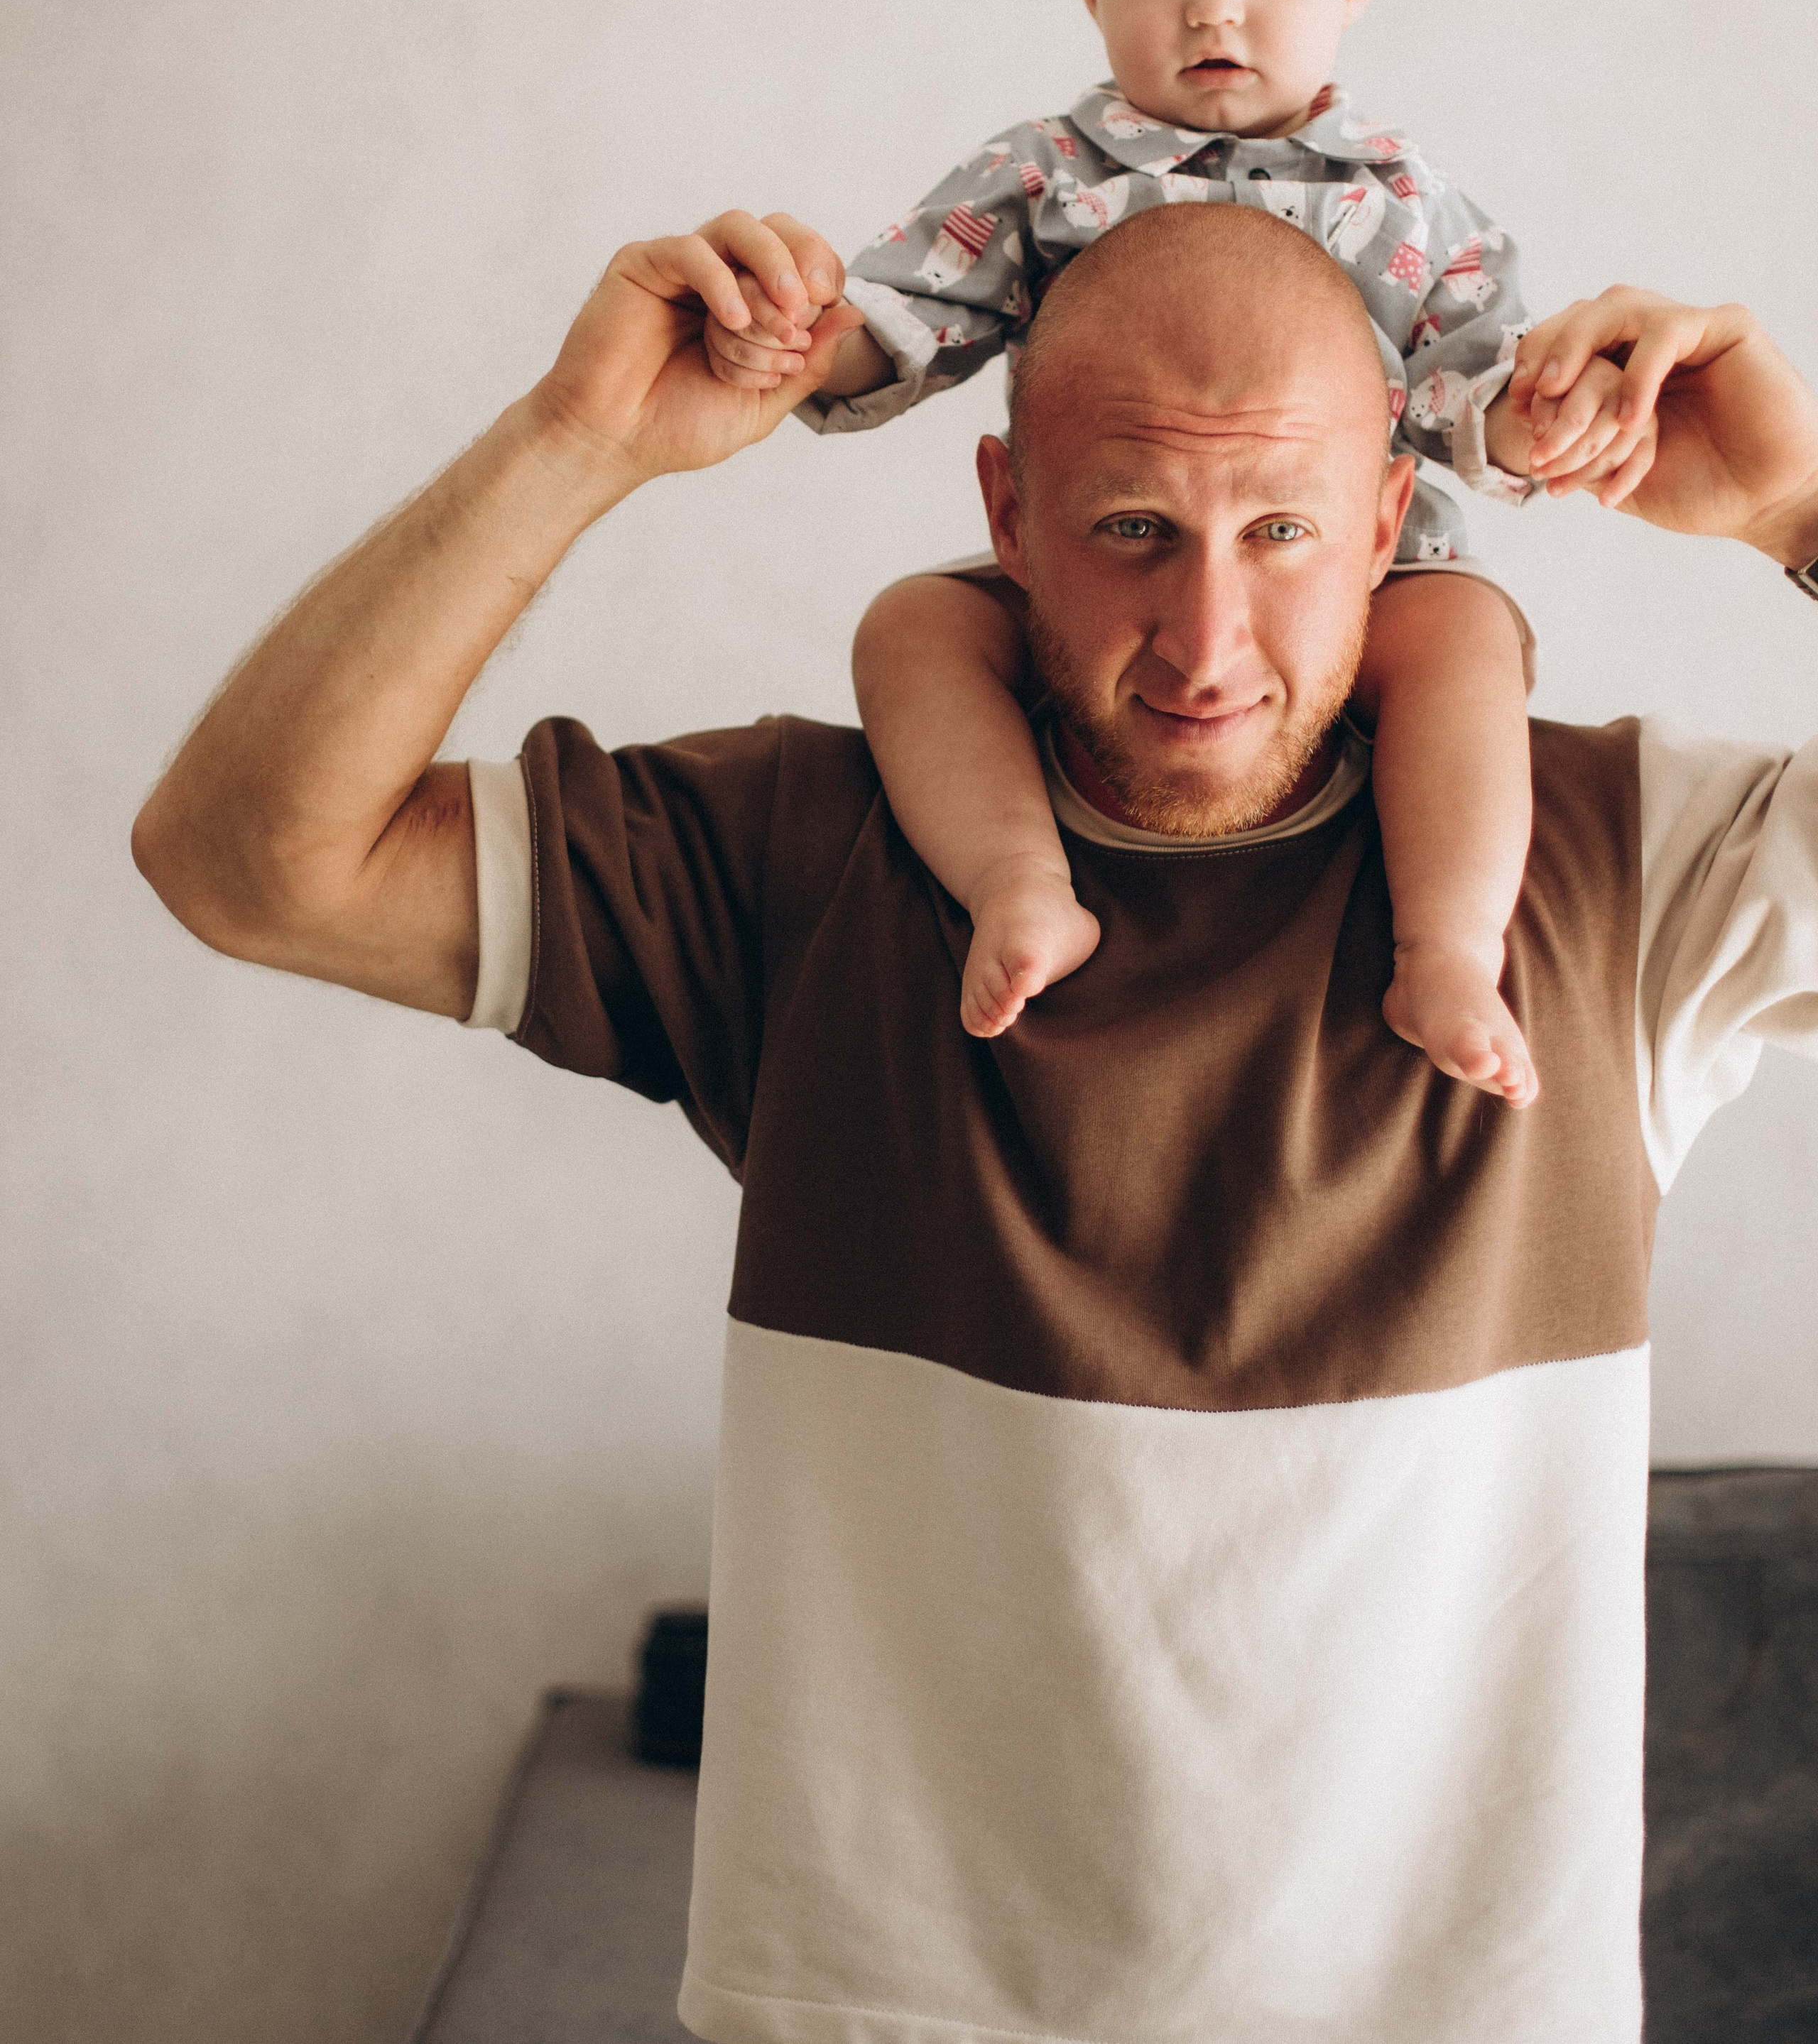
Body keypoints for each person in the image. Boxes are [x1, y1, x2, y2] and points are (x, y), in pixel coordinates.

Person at [134, 199, 1818, 2044]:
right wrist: (579, 442)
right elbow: (249, 858)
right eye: (1130, 532)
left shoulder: (1615, 874)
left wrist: (1801, 515)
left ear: (1397, 519)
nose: (1206, 638)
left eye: (1281, 530)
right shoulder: (801, 857)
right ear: (1005, 513)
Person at [702, 0, 1650, 1104]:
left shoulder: (1402, 201)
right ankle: (1020, 883)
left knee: (1464, 642)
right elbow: (915, 311)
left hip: (1363, 586)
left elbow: (1472, 375)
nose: (1214, 3)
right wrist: (801, 340)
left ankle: (1447, 946)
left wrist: (1534, 419)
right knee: (912, 626)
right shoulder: (1046, 175)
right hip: (1101, 576)